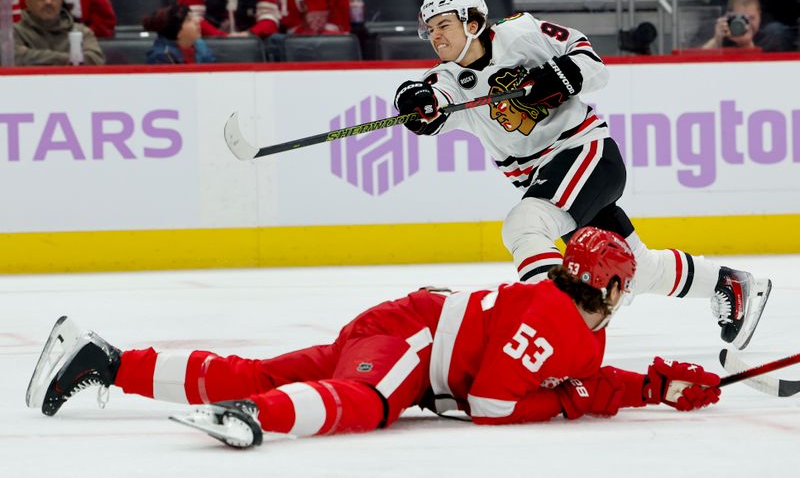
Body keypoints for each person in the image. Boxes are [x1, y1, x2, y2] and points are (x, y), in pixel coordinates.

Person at [26, 227, 721, 449]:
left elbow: (575, 380)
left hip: (404, 329)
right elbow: (496, 404)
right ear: (610, 285)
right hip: (412, 342)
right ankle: (251, 420)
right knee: (366, 397)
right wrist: (579, 400)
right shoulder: (552, 316)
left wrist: (655, 387)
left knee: (257, 368)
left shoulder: (575, 325)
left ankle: (109, 361)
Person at [393, 0, 772, 352]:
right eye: (430, 30)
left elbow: (592, 63)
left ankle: (550, 324)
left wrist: (562, 76)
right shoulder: (447, 81)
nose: (436, 37)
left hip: (584, 153)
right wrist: (414, 103)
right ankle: (728, 284)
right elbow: (431, 107)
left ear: (472, 23)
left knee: (526, 224)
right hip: (548, 178)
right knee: (636, 270)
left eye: (443, 25)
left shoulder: (521, 32)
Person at [14, 0, 106, 65]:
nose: (48, 2)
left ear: (61, 0)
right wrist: (73, 59)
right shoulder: (14, 32)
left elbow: (95, 60)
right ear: (28, 1)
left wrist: (36, 57)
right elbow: (16, 57)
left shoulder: (81, 32)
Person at [701, 0, 793, 51]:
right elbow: (695, 63)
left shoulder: (771, 38)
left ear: (760, 16)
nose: (747, 24)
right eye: (742, 18)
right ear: (728, 16)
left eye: (752, 18)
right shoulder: (722, 35)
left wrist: (746, 44)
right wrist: (717, 40)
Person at [143, 3, 216, 63]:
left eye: (194, 17)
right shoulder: (160, 56)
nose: (197, 21)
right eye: (189, 20)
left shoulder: (200, 45)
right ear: (178, 32)